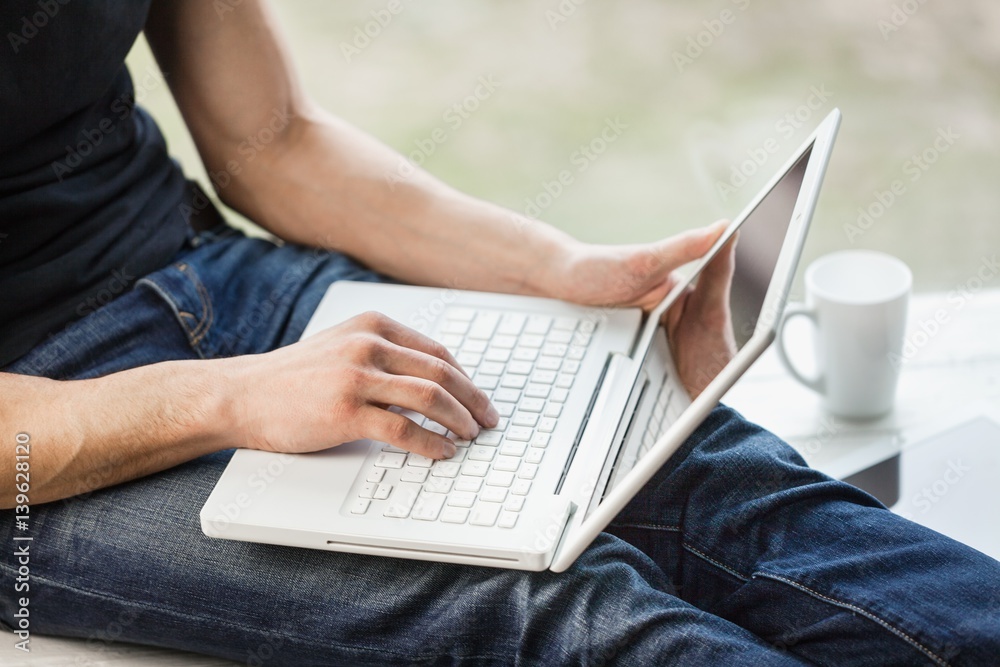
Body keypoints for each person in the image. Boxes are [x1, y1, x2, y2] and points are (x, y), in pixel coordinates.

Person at [1, 1, 997, 665]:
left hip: (204, 274)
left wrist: (558, 269)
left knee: (722, 486)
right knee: (572, 620)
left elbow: (270, 140)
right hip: (38, 429)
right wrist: (234, 399)